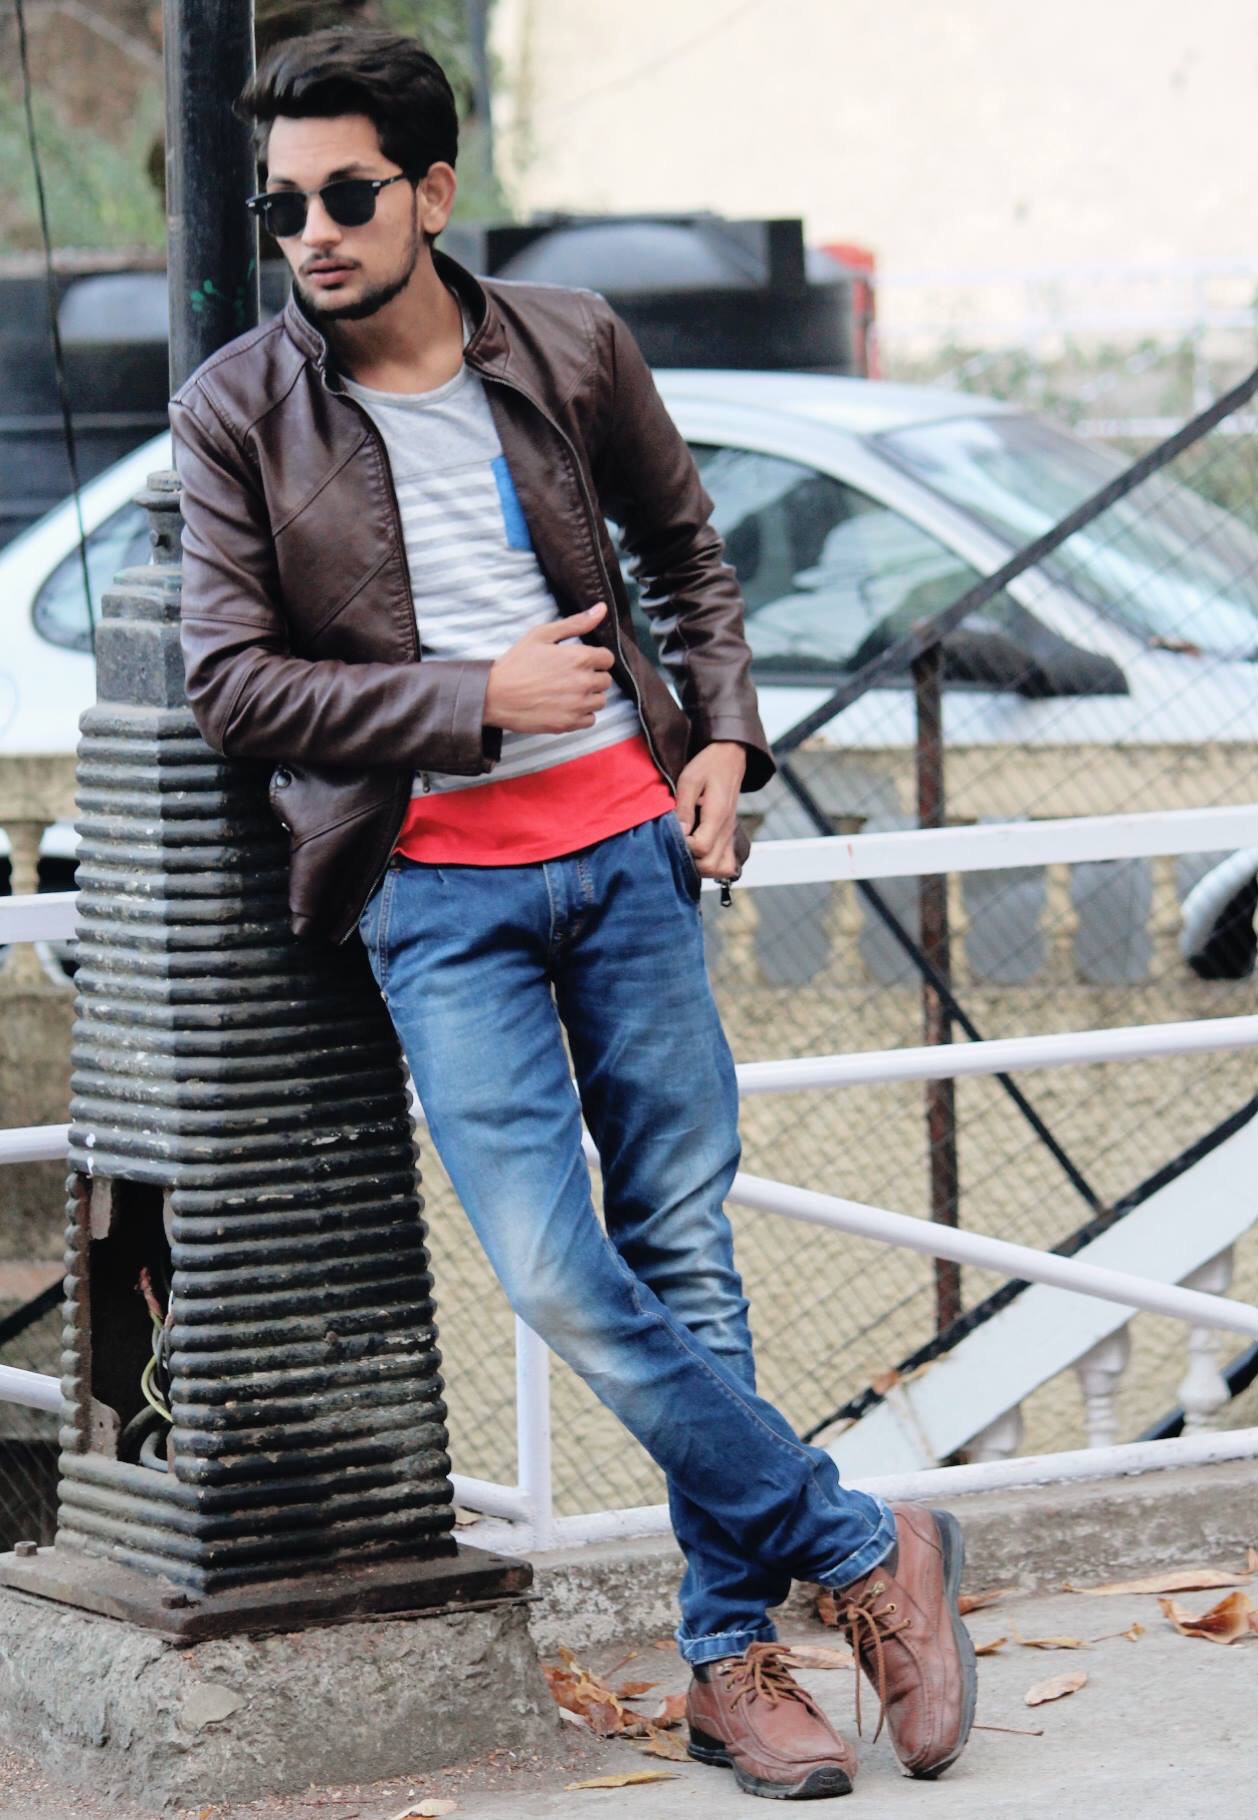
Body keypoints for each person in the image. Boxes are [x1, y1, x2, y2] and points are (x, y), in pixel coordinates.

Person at [170, 27, 976, 1801]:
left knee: (682, 1248)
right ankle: (860, 1545)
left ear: (431, 190)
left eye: (346, 194)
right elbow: (230, 683)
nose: (311, 232)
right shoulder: (237, 407)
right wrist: (473, 698)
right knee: (552, 1267)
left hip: (624, 853)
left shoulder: (571, 342)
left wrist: (726, 740)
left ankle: (727, 1665)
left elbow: (687, 556)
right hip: (433, 890)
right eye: (282, 205)